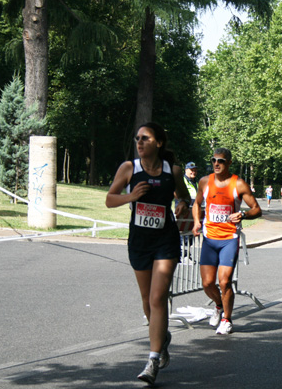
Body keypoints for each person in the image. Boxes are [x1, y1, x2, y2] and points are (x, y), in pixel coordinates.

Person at [106, 122, 191, 385]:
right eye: (137, 138)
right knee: (147, 300)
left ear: (159, 143)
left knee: (158, 298)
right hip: (139, 241)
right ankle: (162, 337)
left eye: (145, 138)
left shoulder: (172, 171)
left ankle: (153, 359)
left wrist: (182, 204)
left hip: (165, 241)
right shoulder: (129, 168)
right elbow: (110, 199)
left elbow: (185, 196)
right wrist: (131, 198)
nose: (139, 142)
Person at [192, 148, 262, 334]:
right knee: (207, 283)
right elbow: (197, 204)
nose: (216, 163)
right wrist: (197, 221)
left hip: (229, 239)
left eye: (221, 161)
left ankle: (227, 319)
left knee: (224, 282)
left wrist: (243, 214)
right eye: (214, 160)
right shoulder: (205, 181)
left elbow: (257, 209)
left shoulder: (238, 184)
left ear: (229, 163)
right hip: (209, 239)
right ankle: (218, 305)